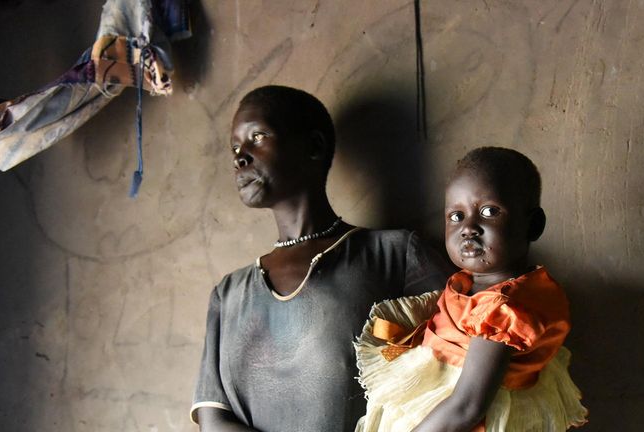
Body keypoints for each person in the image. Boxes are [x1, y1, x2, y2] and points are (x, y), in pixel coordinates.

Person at [189, 85, 449, 432]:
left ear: (313, 147)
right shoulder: (229, 294)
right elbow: (213, 419)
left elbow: (458, 370)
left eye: (258, 137)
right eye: (235, 147)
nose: (240, 156)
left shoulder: (395, 256)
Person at [355, 147, 589, 431]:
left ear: (533, 224)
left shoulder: (503, 310)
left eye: (489, 212)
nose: (468, 228)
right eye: (456, 216)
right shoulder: (474, 282)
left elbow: (468, 407)